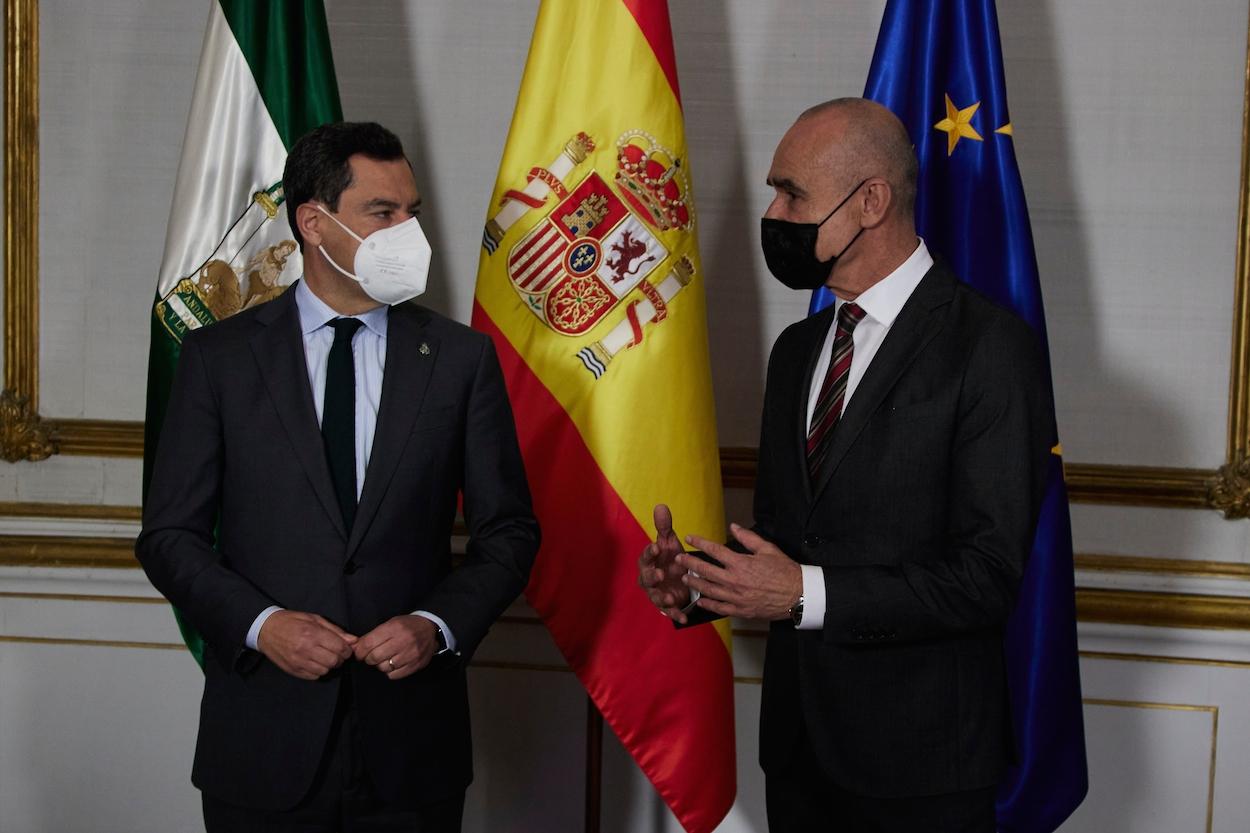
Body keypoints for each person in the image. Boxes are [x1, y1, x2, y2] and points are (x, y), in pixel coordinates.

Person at [638, 99, 1053, 832]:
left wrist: (806, 594)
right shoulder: (797, 351)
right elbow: (791, 538)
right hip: (799, 758)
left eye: (792, 192)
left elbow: (987, 576)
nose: (773, 211)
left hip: (922, 770)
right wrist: (699, 584)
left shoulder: (989, 348)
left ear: (871, 201)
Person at [137, 121, 540, 832]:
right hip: (262, 741)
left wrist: (436, 624)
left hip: (414, 744)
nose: (407, 231)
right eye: (383, 213)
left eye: (412, 212)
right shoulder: (218, 360)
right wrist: (264, 627)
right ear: (314, 224)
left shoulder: (459, 359)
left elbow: (508, 532)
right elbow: (170, 537)